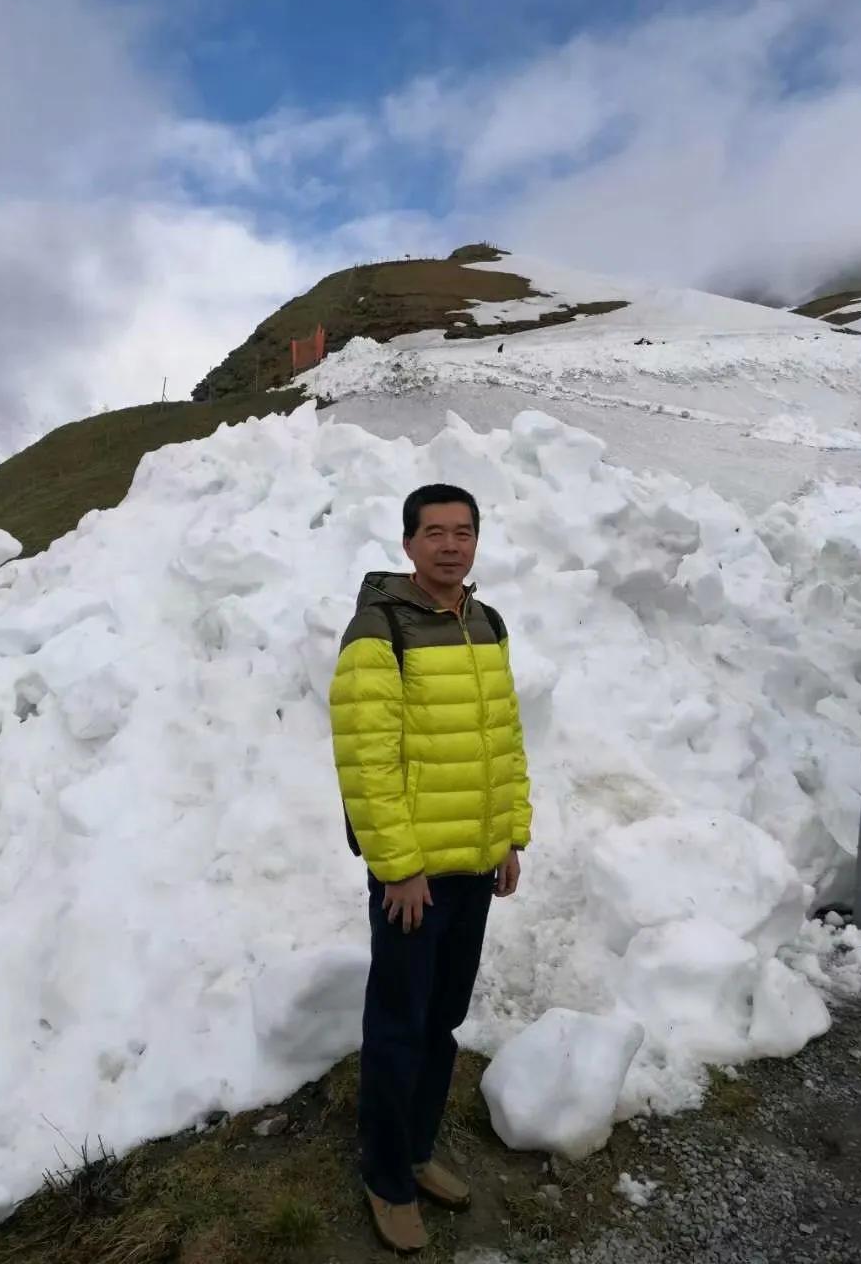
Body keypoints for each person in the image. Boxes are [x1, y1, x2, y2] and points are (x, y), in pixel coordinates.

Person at [329, 483, 533, 1255]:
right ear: (408, 543)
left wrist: (509, 835)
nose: (451, 545)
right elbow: (366, 761)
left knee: (441, 1022)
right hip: (414, 877)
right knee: (397, 1026)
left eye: (464, 532)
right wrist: (398, 867)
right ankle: (385, 1176)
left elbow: (504, 737)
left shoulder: (485, 622)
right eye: (435, 532)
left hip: (474, 865)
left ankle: (417, 1148)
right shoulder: (378, 628)